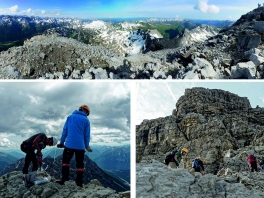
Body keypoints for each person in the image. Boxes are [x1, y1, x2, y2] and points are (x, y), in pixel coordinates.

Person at [56, 104, 92, 187]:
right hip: (80, 145)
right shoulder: (86, 120)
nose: (87, 115)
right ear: (86, 111)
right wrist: (87, 146)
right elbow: (87, 135)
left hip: (69, 144)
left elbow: (65, 130)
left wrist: (62, 142)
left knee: (65, 162)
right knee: (80, 164)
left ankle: (64, 179)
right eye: (88, 113)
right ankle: (79, 183)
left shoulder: (70, 117)